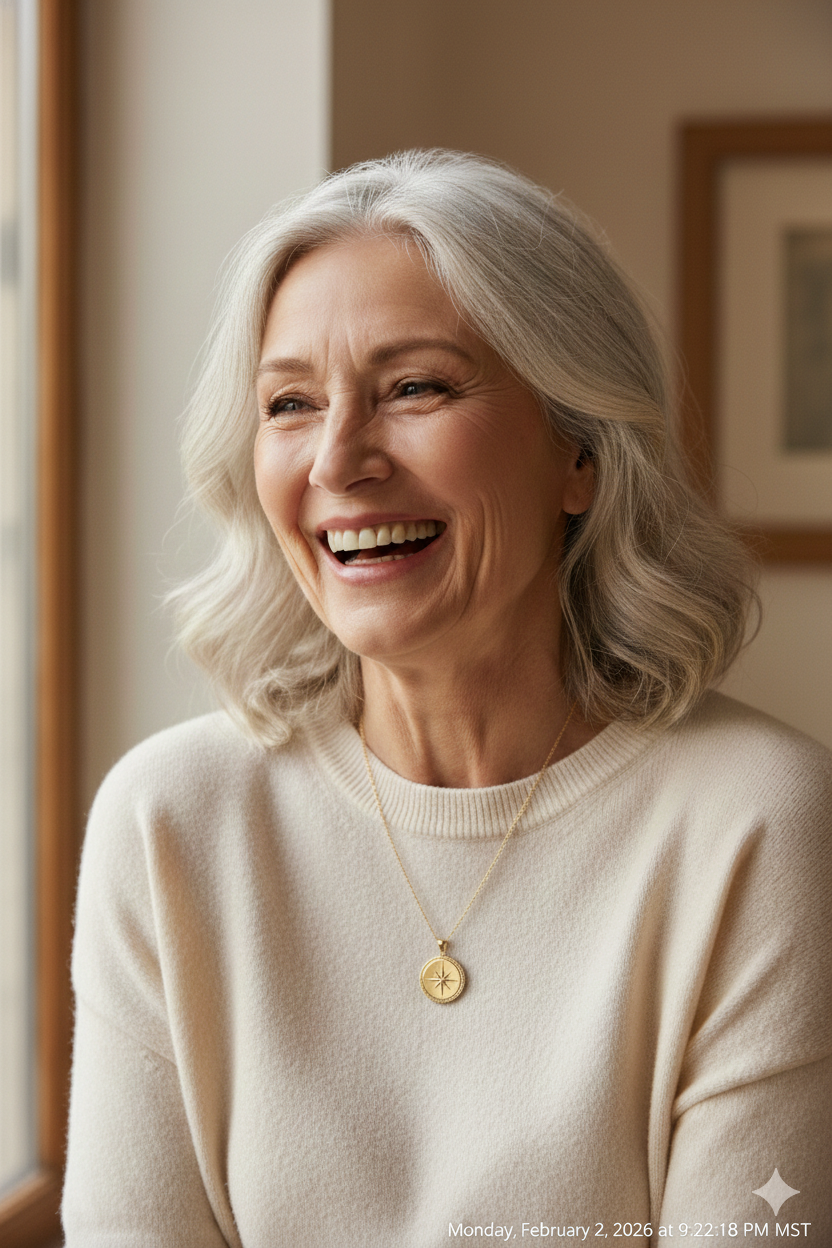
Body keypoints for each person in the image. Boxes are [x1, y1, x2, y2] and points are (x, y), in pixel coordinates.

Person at [63, 150, 831, 1246]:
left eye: (414, 387)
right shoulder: (169, 819)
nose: (339, 459)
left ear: (579, 453)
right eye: (289, 402)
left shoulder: (764, 822)